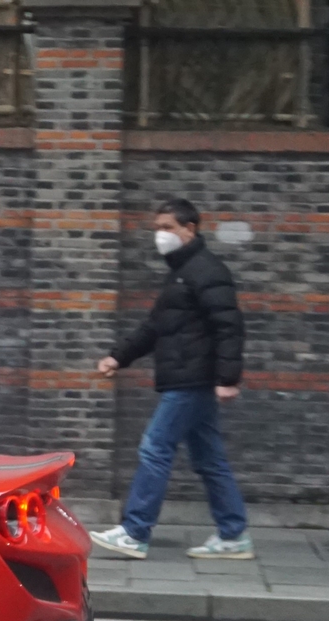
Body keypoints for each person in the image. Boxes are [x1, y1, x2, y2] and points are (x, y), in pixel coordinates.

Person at [87, 199, 252, 560]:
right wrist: (119, 356)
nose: (159, 235)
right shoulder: (182, 273)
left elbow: (230, 326)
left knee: (154, 448)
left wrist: (228, 378)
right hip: (189, 377)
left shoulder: (206, 270)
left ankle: (134, 531)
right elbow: (156, 327)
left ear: (189, 229)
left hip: (192, 379)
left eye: (167, 227)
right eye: (157, 228)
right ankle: (233, 535)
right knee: (210, 459)